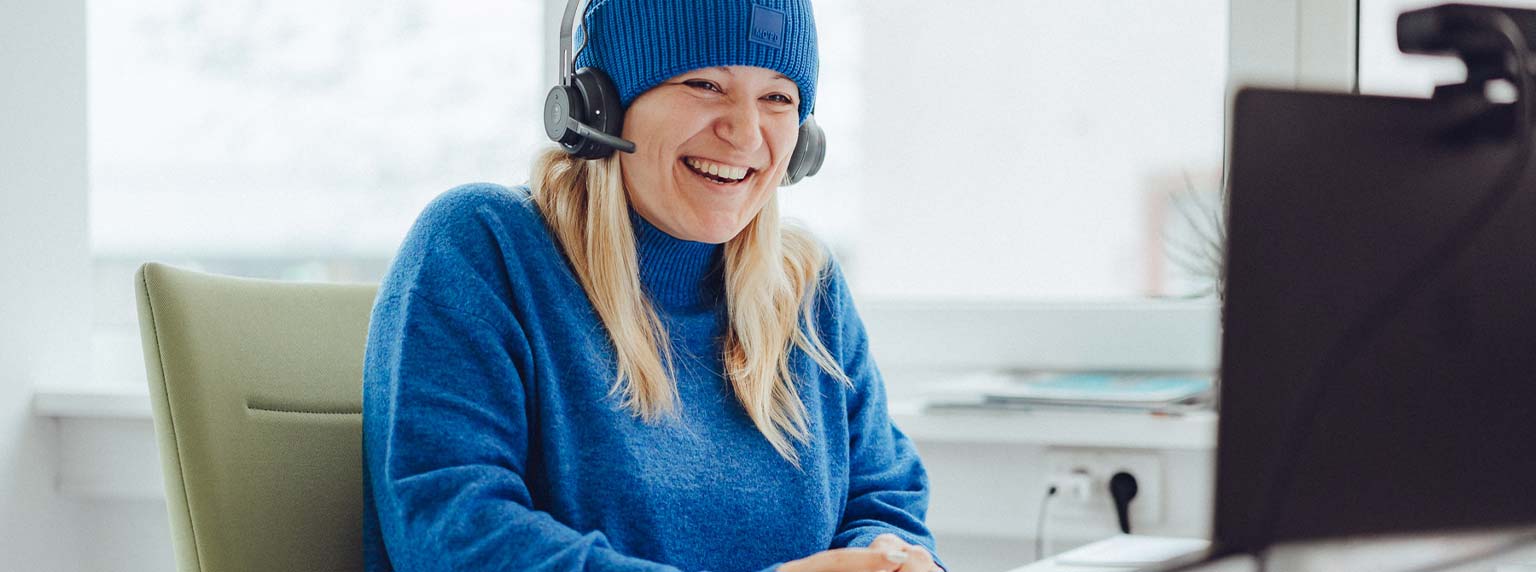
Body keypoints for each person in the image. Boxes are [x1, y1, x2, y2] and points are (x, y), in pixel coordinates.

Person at [361, 1, 944, 570]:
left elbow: (885, 500)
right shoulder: (484, 248)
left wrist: (887, 560)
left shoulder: (805, 290)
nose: (744, 133)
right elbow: (454, 532)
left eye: (777, 98)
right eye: (703, 84)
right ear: (600, 108)